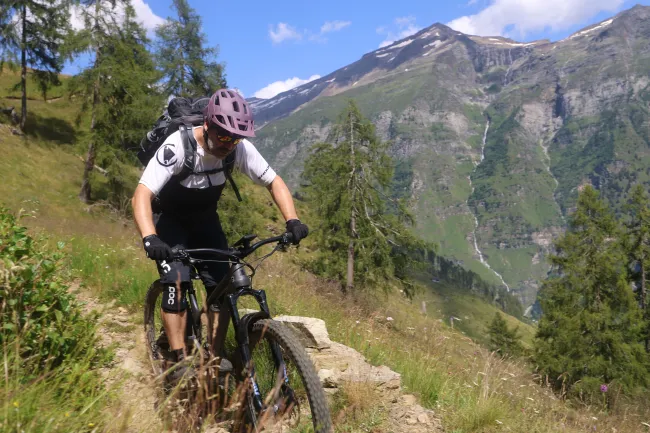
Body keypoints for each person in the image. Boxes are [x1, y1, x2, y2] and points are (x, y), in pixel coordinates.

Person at [131, 89, 309, 382]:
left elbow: (274, 181)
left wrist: (293, 220)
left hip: (205, 221)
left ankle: (214, 359)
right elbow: (141, 195)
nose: (229, 144)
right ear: (208, 125)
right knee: (176, 283)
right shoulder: (177, 146)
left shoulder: (238, 148)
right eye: (224, 136)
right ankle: (178, 362)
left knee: (222, 288)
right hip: (170, 222)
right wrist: (150, 237)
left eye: (235, 138)